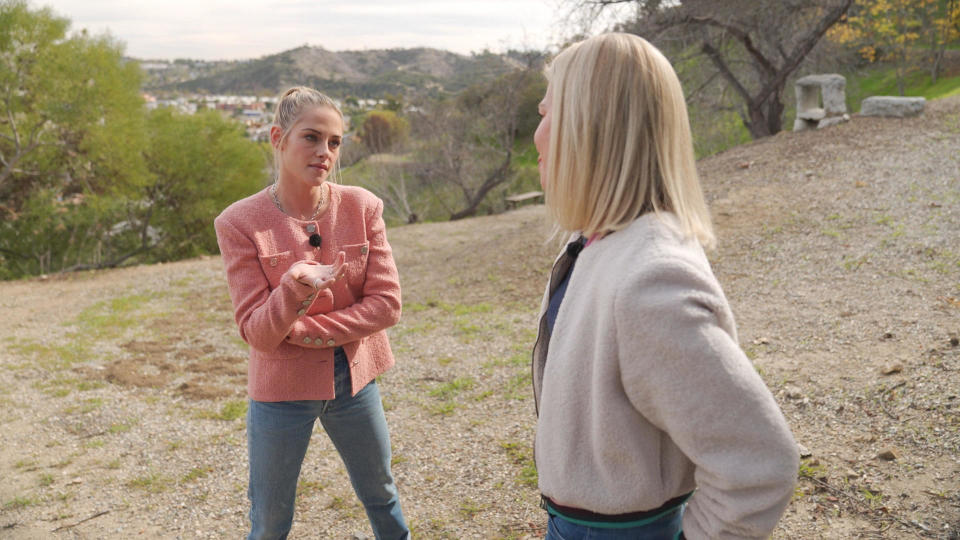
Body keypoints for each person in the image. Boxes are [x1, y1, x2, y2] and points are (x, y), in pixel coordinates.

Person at [530, 33, 799, 540]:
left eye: (548, 114)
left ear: (592, 128)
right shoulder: (599, 238)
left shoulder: (650, 281)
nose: (537, 135)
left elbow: (759, 465)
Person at [214, 86, 409, 540]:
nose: (325, 152)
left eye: (335, 142)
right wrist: (292, 286)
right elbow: (258, 334)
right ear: (278, 138)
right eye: (311, 137)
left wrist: (301, 329)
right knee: (270, 518)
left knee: (381, 493)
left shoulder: (363, 206)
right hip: (279, 392)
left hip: (356, 380)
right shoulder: (239, 222)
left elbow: (387, 304)